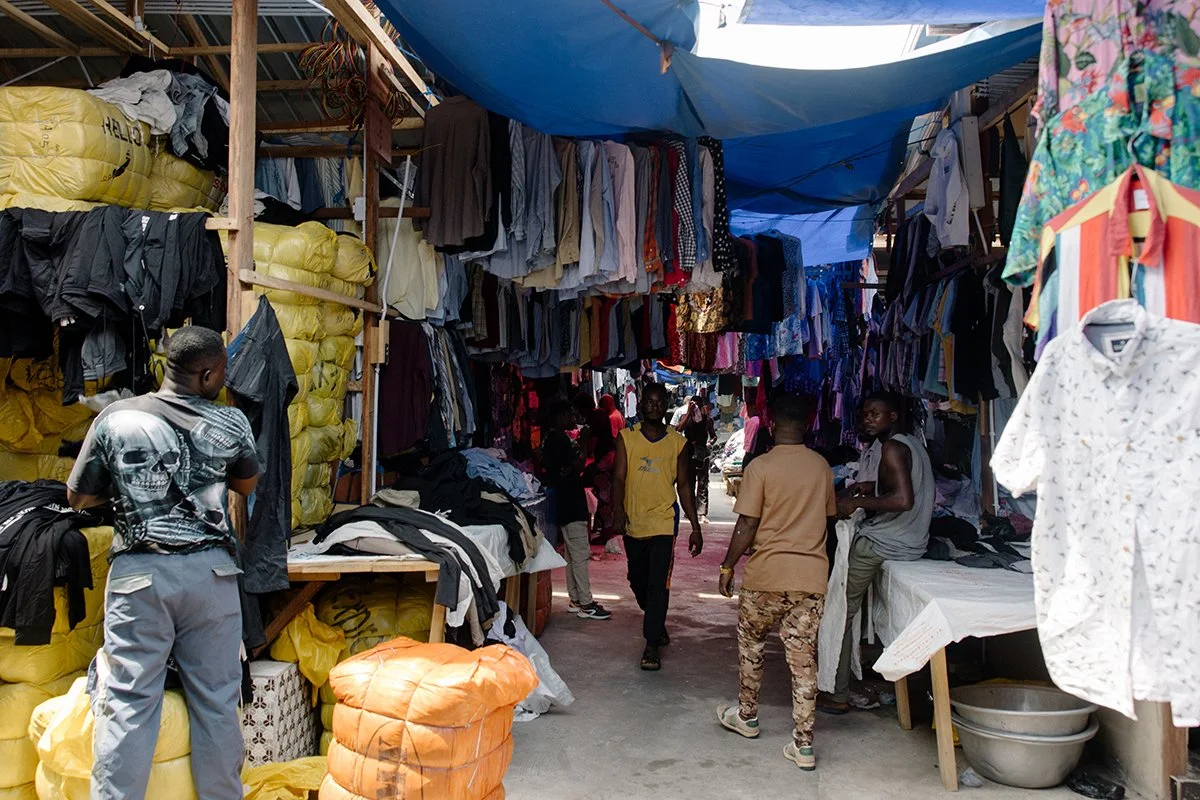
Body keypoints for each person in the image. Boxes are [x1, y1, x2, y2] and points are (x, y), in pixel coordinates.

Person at [66, 326, 260, 800]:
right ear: (208, 373)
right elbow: (246, 485)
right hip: (211, 577)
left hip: (139, 578)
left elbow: (77, 496)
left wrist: (128, 486)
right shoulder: (230, 424)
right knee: (216, 703)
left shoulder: (115, 418)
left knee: (130, 701)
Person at [715, 395, 836, 771]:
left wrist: (727, 565)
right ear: (807, 427)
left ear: (770, 426)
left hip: (766, 575)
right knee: (803, 660)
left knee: (752, 646)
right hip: (810, 577)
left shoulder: (760, 467)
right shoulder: (821, 468)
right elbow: (828, 519)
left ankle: (748, 717)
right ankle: (803, 745)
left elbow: (747, 524)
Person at [820, 392, 934, 714]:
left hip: (884, 542)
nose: (868, 419)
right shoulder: (912, 445)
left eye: (875, 414)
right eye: (866, 413)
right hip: (913, 542)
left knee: (840, 609)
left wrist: (856, 502)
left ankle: (838, 693)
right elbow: (900, 490)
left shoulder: (893, 448)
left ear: (894, 416)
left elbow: (902, 501)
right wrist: (871, 489)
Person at [613, 382, 703, 671]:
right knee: (637, 581)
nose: (654, 406)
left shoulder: (678, 443)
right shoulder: (626, 438)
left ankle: (651, 644)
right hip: (634, 522)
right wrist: (617, 510)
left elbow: (685, 485)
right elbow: (618, 478)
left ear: (666, 405)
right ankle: (656, 619)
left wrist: (695, 526)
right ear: (640, 404)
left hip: (664, 524)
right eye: (649, 402)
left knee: (657, 585)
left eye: (659, 402)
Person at [542, 400, 611, 620]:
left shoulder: (550, 440)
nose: (573, 418)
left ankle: (576, 599)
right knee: (580, 554)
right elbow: (579, 465)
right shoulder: (561, 440)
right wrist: (582, 441)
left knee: (573, 554)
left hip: (563, 501)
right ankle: (586, 602)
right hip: (571, 502)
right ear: (560, 417)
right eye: (569, 414)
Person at [574, 394, 616, 542]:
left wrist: (583, 441)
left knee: (605, 497)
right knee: (605, 496)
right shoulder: (600, 414)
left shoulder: (595, 418)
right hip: (606, 459)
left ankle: (605, 533)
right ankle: (603, 530)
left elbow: (591, 443)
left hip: (604, 461)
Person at [676, 394, 716, 522]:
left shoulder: (707, 420)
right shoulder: (685, 417)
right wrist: (688, 413)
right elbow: (679, 428)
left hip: (702, 454)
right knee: (690, 483)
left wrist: (709, 444)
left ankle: (702, 512)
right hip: (688, 454)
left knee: (703, 483)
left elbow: (713, 436)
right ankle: (690, 510)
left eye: (696, 405)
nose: (695, 408)